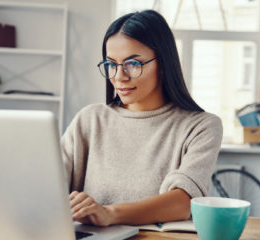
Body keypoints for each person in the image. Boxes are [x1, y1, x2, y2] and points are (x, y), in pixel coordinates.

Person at [61, 10, 223, 227]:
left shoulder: (201, 126)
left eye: (133, 64)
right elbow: (50, 184)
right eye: (111, 65)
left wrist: (109, 213)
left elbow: (183, 202)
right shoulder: (89, 120)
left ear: (163, 64)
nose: (119, 76)